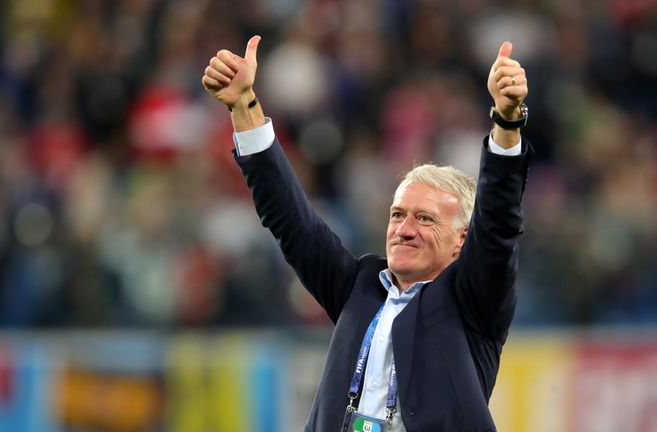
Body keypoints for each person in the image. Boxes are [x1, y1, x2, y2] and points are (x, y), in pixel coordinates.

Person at [202, 34, 531, 432]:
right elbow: (291, 219)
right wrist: (243, 105)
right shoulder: (358, 286)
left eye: (425, 219)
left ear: (462, 239)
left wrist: (506, 121)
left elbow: (498, 226)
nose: (404, 230)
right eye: (397, 215)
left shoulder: (474, 302)